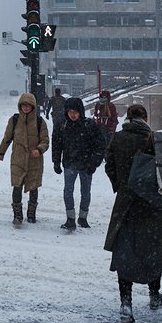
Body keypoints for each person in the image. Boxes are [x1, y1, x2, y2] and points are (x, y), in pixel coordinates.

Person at [103, 104, 162, 323]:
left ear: (128, 118)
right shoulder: (154, 139)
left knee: (125, 252)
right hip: (152, 205)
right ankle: (154, 294)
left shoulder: (118, 138)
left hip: (126, 204)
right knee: (154, 248)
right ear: (145, 118)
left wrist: (121, 186)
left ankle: (126, 303)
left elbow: (109, 165)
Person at [52, 97, 108, 230]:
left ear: (80, 112)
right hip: (69, 163)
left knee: (86, 192)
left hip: (86, 164)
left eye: (75, 112)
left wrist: (94, 163)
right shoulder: (62, 125)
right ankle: (70, 218)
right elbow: (57, 145)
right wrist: (56, 161)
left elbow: (100, 145)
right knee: (68, 191)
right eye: (70, 111)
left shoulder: (90, 125)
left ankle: (83, 218)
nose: (72, 114)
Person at [0, 92, 49, 227]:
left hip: (34, 160)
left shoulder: (39, 122)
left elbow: (45, 140)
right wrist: (1, 151)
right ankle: (17, 215)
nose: (26, 108)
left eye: (29, 105)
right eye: (23, 105)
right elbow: (7, 138)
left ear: (33, 106)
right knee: (17, 186)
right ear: (20, 106)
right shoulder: (14, 120)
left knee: (33, 186)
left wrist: (39, 149)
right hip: (18, 159)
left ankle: (31, 214)